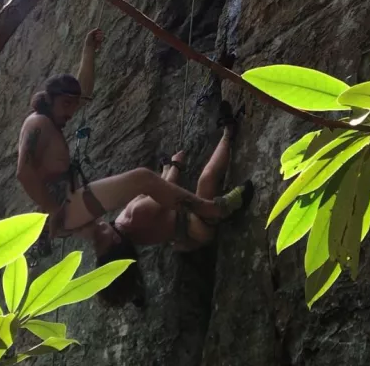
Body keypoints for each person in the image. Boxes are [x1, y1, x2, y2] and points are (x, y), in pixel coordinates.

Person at [17, 29, 250, 247]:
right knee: (142, 179)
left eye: (72, 105)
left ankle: (210, 208)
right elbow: (24, 173)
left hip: (70, 203)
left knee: (144, 179)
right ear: (49, 99)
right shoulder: (37, 123)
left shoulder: (53, 118)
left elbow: (83, 93)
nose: (70, 112)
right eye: (66, 105)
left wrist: (88, 50)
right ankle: (212, 209)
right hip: (64, 208)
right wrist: (51, 209)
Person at [90, 102, 253, 307]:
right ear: (114, 240)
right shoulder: (134, 217)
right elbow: (167, 191)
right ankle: (229, 132)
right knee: (206, 180)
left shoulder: (126, 234)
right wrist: (175, 165)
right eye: (100, 241)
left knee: (196, 194)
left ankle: (135, 294)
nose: (95, 236)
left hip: (186, 238)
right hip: (196, 225)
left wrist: (166, 167)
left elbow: (154, 190)